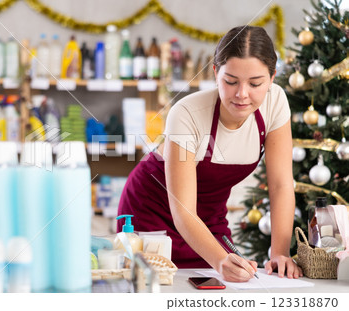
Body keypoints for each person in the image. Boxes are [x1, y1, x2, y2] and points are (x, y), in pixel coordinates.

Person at [117, 25, 303, 282]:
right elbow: (183, 210)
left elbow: (281, 185)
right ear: (216, 73)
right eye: (231, 81)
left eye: (256, 83)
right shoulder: (187, 114)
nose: (242, 94)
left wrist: (280, 254)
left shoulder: (275, 103)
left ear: (272, 78)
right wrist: (220, 259)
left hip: (207, 220)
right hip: (152, 213)